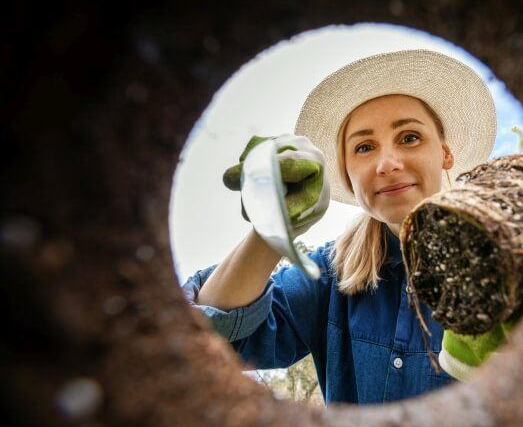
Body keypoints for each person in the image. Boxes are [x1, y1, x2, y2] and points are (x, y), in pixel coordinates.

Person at [182, 49, 497, 404]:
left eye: (409, 137)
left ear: (445, 153)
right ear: (346, 175)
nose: (387, 163)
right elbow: (209, 341)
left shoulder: (504, 260)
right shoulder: (330, 275)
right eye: (364, 147)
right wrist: (271, 233)